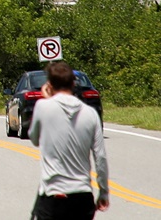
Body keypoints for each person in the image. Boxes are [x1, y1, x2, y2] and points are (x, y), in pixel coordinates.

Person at [28, 61, 109, 218]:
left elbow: (34, 138)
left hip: (53, 194)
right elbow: (100, 157)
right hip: (82, 195)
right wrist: (104, 192)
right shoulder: (90, 113)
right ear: (73, 83)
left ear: (49, 85)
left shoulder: (42, 107)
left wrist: (47, 100)